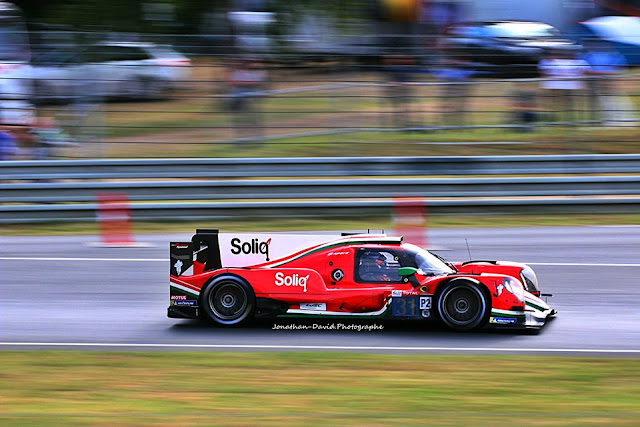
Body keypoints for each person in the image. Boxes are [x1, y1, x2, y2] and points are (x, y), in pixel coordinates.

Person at [580, 39, 628, 125]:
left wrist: (605, 74)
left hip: (610, 81)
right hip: (595, 81)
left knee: (613, 100)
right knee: (600, 101)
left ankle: (617, 119)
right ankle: (604, 119)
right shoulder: (587, 56)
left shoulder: (615, 55)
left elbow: (619, 70)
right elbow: (584, 70)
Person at [538, 49, 588, 124]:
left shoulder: (575, 62)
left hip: (568, 84)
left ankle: (568, 117)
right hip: (553, 84)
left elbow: (581, 73)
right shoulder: (546, 62)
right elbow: (544, 74)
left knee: (568, 100)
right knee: (553, 100)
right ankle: (553, 116)